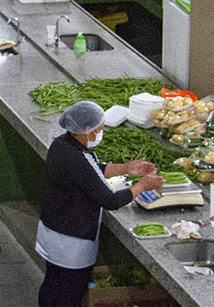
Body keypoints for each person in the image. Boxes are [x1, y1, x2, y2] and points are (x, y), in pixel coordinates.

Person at [37, 101, 165, 307]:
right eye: (100, 129)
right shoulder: (78, 158)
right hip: (71, 243)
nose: (101, 133)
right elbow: (110, 200)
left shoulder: (62, 144)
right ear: (86, 130)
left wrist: (127, 168)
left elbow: (96, 169)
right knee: (68, 295)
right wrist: (142, 186)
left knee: (52, 287)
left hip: (52, 233)